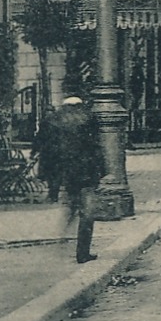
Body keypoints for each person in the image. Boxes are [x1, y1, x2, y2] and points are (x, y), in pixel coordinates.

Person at [55, 97, 103, 263]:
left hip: (68, 174)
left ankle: (63, 234)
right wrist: (100, 171)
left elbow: (50, 149)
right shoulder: (89, 118)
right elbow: (97, 147)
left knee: (72, 205)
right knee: (87, 213)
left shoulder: (55, 121)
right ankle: (83, 252)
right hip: (87, 173)